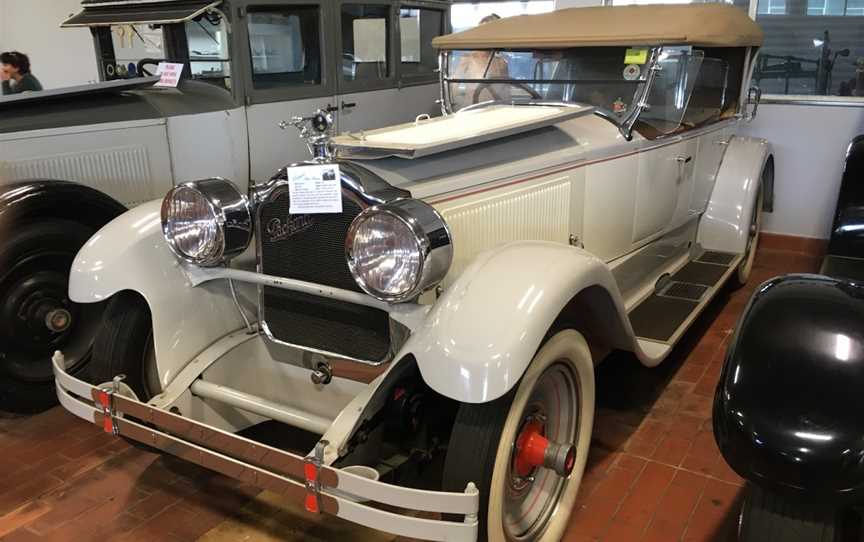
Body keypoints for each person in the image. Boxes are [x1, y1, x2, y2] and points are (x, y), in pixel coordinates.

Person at [450, 14, 511, 109]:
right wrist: (453, 107)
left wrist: (508, 108)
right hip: (472, 108)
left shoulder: (501, 62)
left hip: (496, 109)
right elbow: (454, 85)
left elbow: (505, 89)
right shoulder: (468, 59)